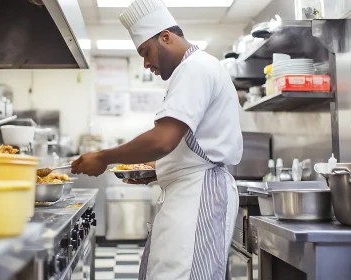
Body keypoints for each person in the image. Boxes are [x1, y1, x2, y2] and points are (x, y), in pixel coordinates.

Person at [71, 0, 243, 279]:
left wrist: (104, 157)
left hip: (199, 195)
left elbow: (163, 139)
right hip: (187, 194)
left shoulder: (194, 68)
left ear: (166, 36)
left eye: (145, 52)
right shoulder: (193, 70)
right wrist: (157, 170)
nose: (146, 63)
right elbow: (186, 144)